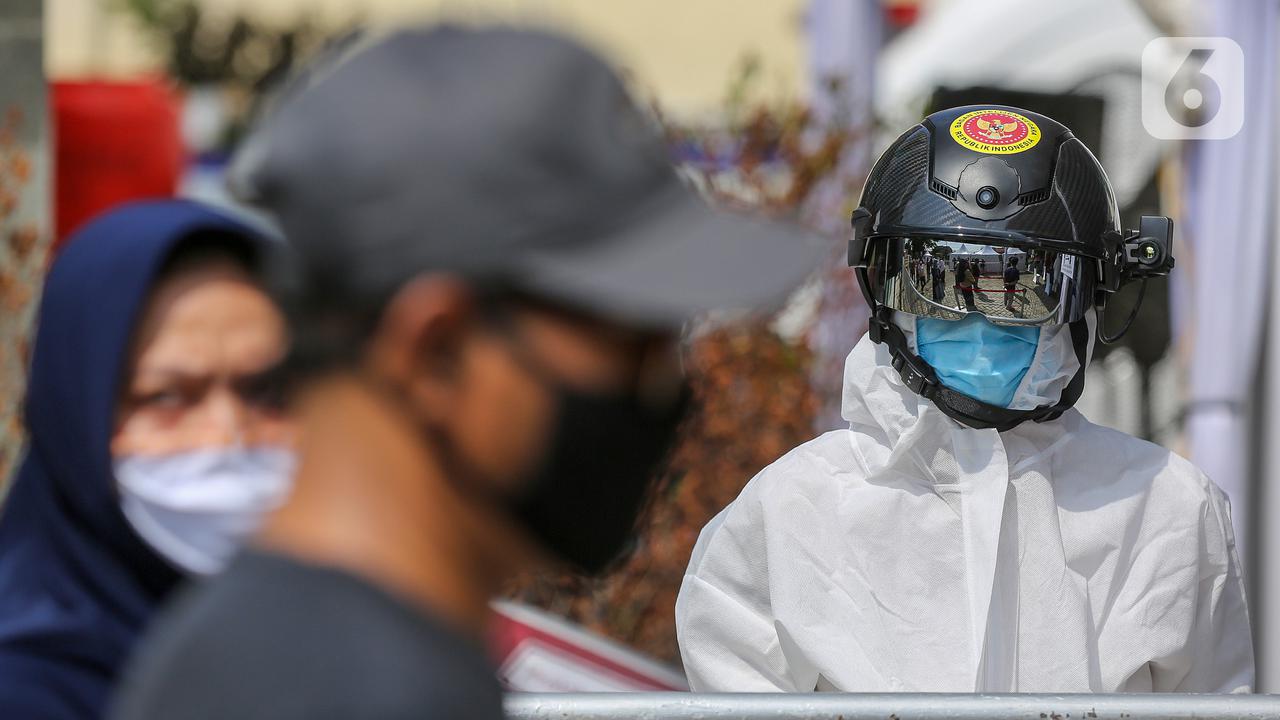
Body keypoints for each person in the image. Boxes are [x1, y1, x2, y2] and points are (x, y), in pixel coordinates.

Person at [111, 27, 825, 720]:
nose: (667, 388)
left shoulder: (286, 649)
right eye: (632, 338)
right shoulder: (359, 695)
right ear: (434, 352)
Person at [675, 105, 1252, 693]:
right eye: (941, 285)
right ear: (883, 293)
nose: (978, 319)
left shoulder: (1170, 511)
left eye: (1020, 289)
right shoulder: (789, 511)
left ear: (1086, 303)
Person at [0, 200, 293, 720]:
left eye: (265, 391)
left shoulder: (330, 626)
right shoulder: (28, 688)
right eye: (166, 397)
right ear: (76, 416)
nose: (227, 435)